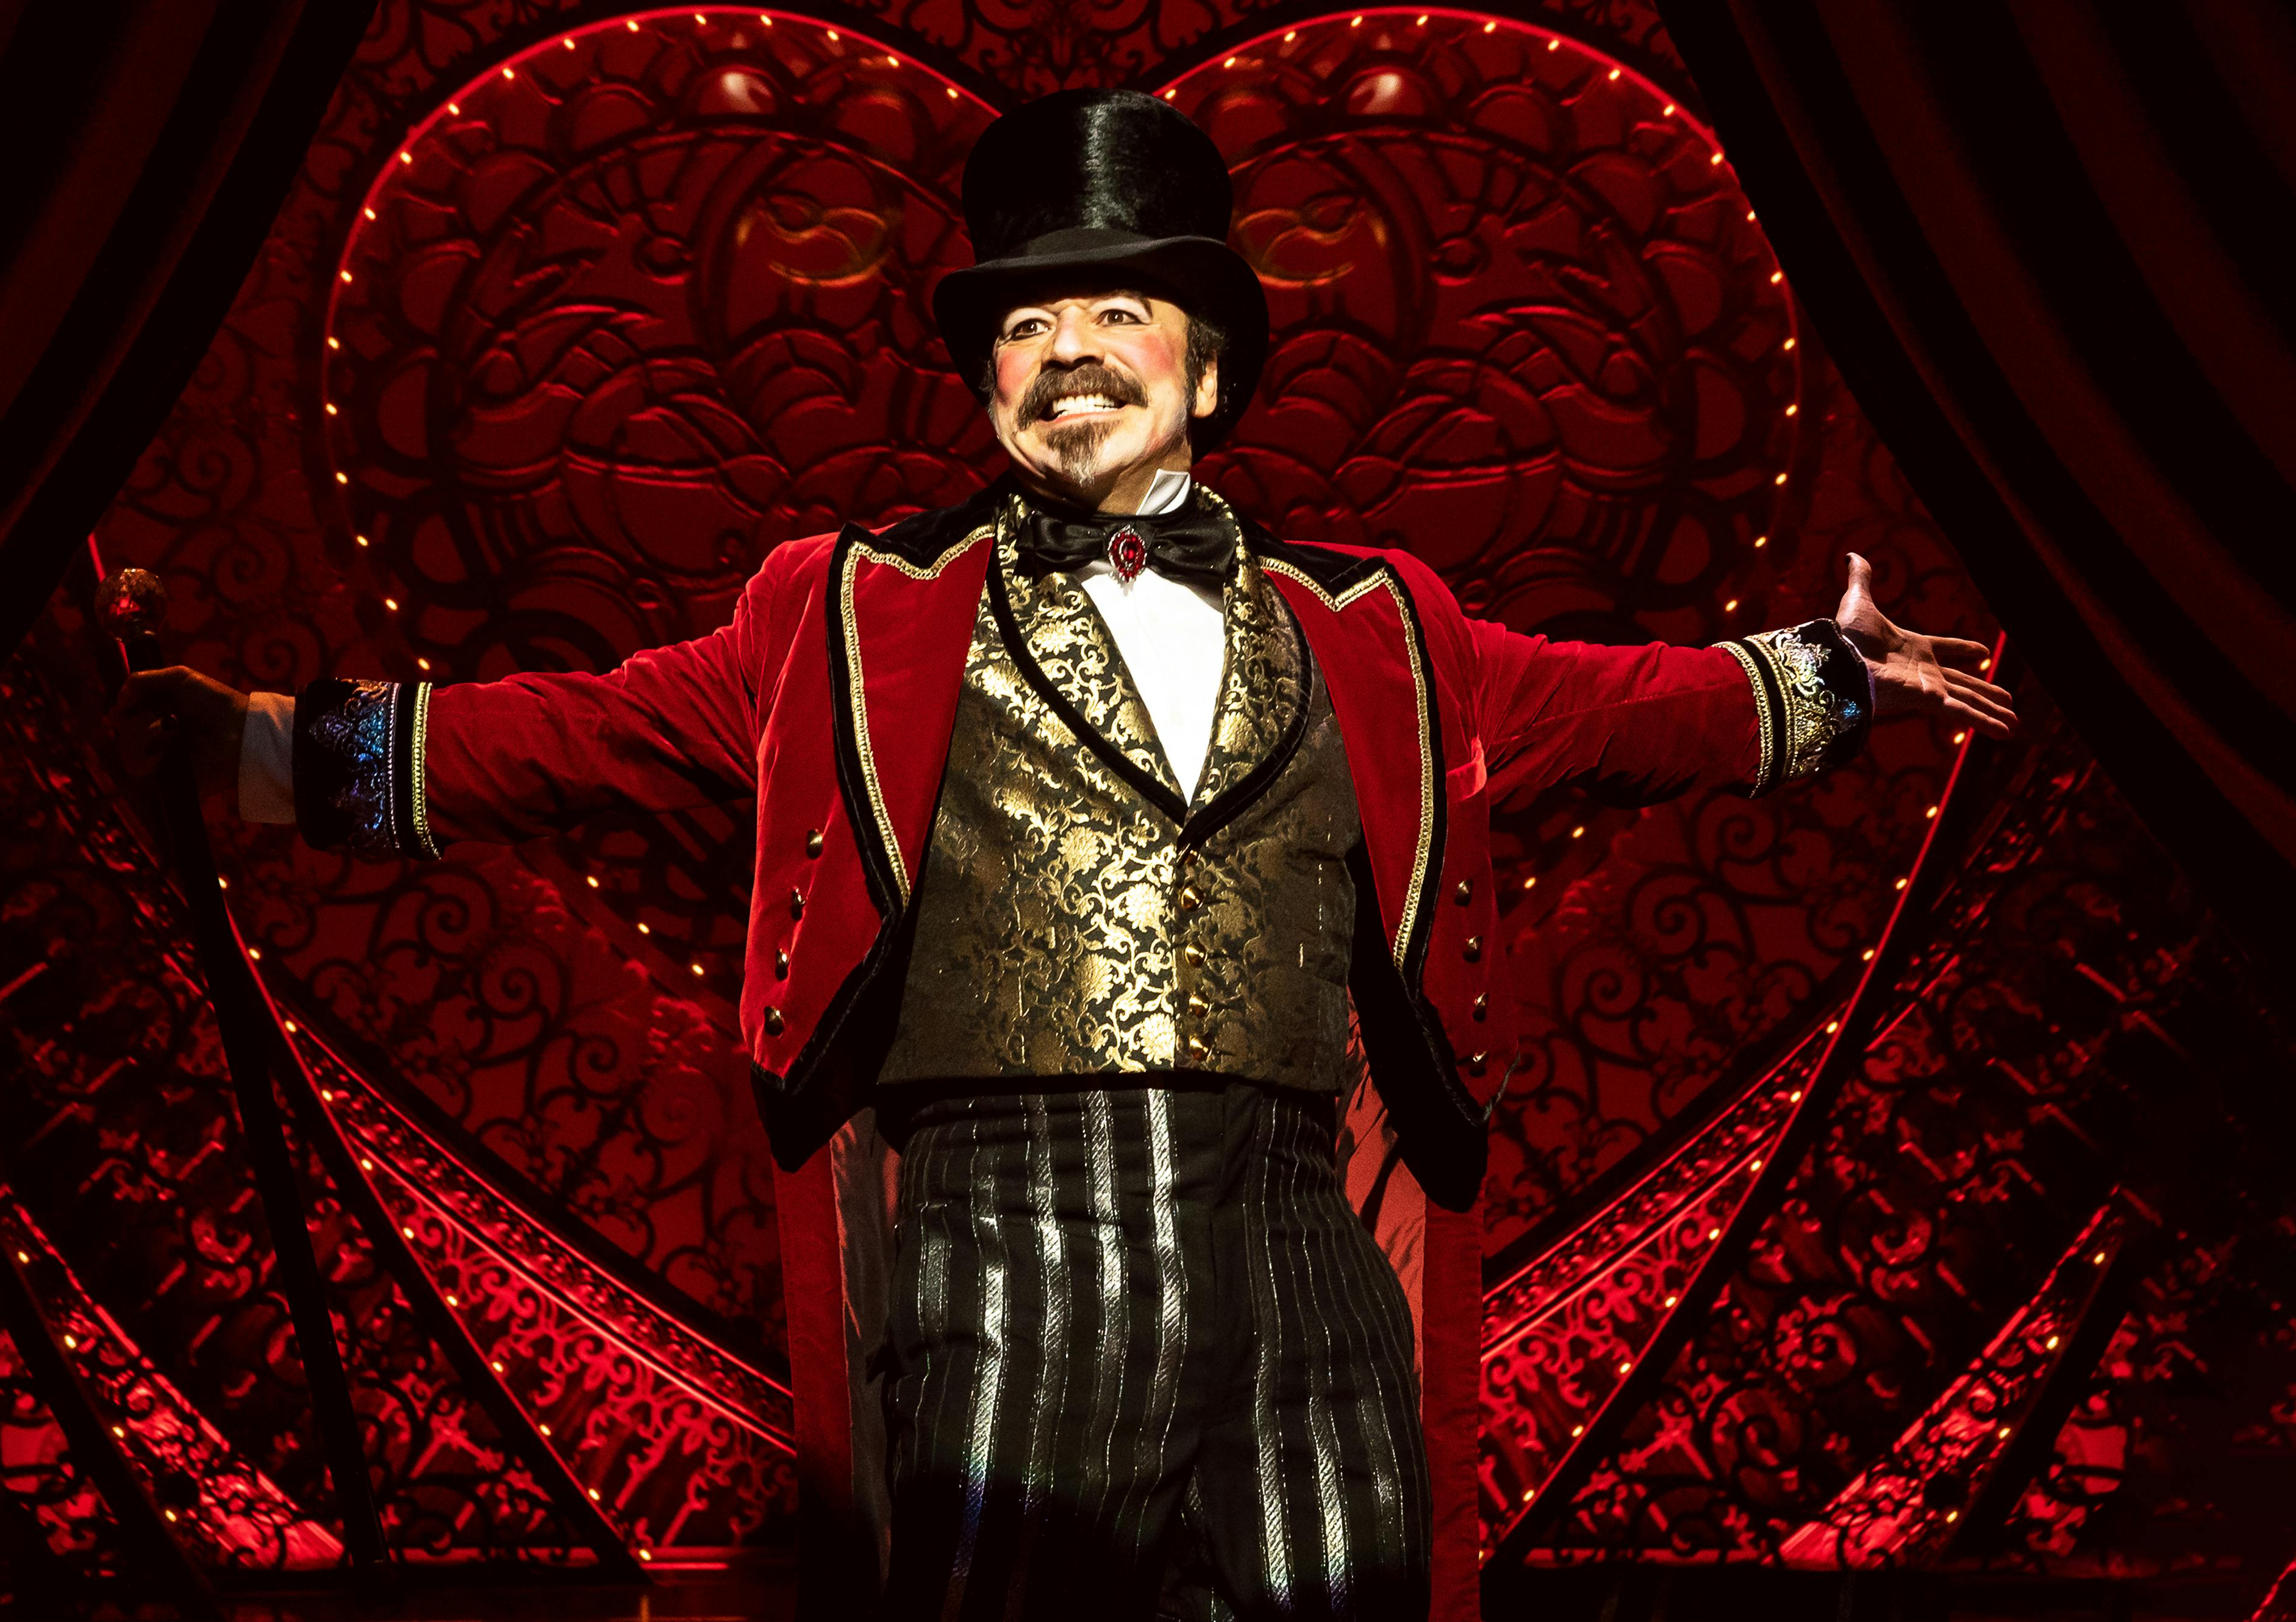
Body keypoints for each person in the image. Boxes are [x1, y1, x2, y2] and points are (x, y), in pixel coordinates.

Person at [117, 90, 2014, 1619]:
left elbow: (1632, 707)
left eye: (1116, 310)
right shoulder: (847, 613)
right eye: (1026, 321)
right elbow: (566, 738)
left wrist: (1837, 679)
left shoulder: (1384, 624)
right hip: (1002, 1253)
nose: (1065, 351)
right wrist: (256, 753)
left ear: (1210, 370)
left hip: (1302, 1253)